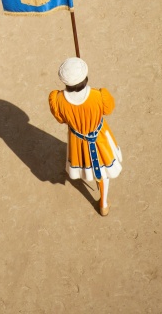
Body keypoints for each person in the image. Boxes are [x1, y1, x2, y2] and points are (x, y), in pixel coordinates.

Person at [49, 57, 122, 216]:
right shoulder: (99, 95)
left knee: (91, 167)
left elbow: (60, 119)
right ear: (85, 77)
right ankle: (103, 204)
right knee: (103, 172)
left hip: (78, 142)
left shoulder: (57, 99)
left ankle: (102, 202)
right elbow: (109, 109)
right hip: (100, 139)